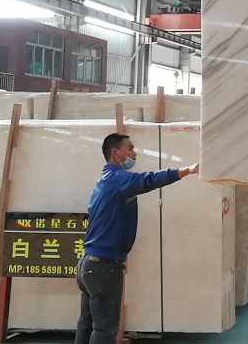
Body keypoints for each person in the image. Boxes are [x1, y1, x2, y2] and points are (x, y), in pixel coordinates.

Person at [75, 133, 198, 344]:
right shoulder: (118, 179)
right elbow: (148, 180)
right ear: (115, 152)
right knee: (105, 330)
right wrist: (187, 170)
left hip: (88, 265)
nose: (135, 154)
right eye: (130, 148)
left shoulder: (105, 180)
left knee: (87, 325)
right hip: (104, 268)